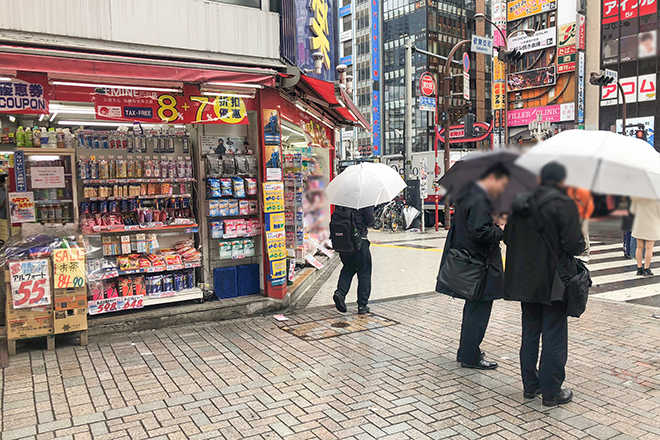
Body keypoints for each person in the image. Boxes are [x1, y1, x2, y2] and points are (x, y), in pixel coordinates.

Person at [503, 162, 585, 407]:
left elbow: (508, 237)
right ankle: (551, 391)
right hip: (553, 282)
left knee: (530, 333)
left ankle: (531, 386)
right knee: (554, 334)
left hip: (524, 280)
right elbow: (574, 245)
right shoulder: (564, 203)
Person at [436, 164, 510, 370]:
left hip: (474, 264)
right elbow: (480, 231)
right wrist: (500, 229)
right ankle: (470, 356)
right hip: (481, 267)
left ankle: (466, 351)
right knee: (478, 312)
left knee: (472, 310)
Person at [332, 205, 375, 314]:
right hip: (359, 241)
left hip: (344, 242)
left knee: (348, 268)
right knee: (364, 271)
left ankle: (340, 293)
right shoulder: (364, 199)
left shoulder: (341, 199)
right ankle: (362, 305)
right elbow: (370, 220)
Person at [630, 197, 660, 276]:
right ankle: (647, 268)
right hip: (651, 223)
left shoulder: (637, 198)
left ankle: (639, 268)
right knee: (649, 248)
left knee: (639, 247)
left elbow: (632, 211)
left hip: (639, 223)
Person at [566, 187, 594, 262]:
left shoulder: (582, 190)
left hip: (582, 216)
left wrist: (585, 216)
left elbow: (589, 205)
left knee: (584, 233)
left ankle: (586, 253)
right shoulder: (569, 190)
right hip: (573, 215)